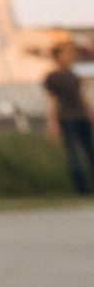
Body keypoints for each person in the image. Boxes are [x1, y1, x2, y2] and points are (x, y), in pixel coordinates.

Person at [48, 41, 93, 196]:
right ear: (56, 57)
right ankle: (81, 191)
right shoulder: (52, 77)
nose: (68, 57)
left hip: (82, 116)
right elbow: (51, 100)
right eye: (64, 54)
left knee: (91, 152)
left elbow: (82, 95)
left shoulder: (73, 75)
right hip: (67, 118)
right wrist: (53, 122)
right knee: (74, 155)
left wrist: (90, 113)